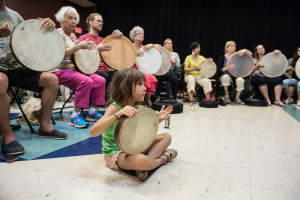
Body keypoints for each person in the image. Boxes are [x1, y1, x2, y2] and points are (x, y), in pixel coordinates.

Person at [0, 0, 68, 155]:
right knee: (1, 81)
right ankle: (8, 136)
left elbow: (27, 39)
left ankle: (45, 127)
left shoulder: (14, 16)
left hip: (14, 68)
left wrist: (43, 27)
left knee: (51, 79)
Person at [90, 68, 178, 181]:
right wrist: (118, 114)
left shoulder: (135, 105)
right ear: (124, 89)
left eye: (143, 84)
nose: (145, 87)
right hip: (117, 154)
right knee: (140, 160)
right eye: (139, 84)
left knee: (166, 136)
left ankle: (143, 167)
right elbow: (93, 132)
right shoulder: (115, 108)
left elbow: (142, 131)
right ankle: (163, 159)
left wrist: (158, 120)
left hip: (135, 146)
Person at [52, 6, 106, 128]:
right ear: (61, 20)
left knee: (100, 80)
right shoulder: (57, 34)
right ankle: (75, 116)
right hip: (60, 70)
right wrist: (78, 47)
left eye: (75, 18)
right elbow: (59, 55)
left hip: (75, 70)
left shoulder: (74, 36)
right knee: (86, 80)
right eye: (69, 18)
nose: (73, 21)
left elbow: (79, 56)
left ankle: (92, 112)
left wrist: (89, 49)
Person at [78, 13, 122, 89]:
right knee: (104, 76)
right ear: (90, 22)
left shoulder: (103, 40)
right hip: (90, 70)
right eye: (98, 21)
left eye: (102, 22)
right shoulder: (83, 38)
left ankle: (114, 100)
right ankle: (105, 100)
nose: (101, 23)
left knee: (122, 75)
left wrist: (119, 38)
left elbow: (115, 52)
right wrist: (97, 48)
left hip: (105, 70)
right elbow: (81, 57)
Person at [129, 26, 158, 107]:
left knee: (152, 77)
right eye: (139, 33)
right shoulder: (130, 46)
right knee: (145, 76)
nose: (142, 35)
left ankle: (147, 99)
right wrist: (136, 54)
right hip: (132, 68)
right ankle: (139, 101)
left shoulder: (144, 47)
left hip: (142, 69)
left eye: (142, 33)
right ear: (134, 37)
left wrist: (152, 45)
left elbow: (159, 48)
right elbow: (126, 58)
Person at [217, 41, 250, 105]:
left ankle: (237, 98)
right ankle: (226, 94)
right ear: (227, 48)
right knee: (226, 76)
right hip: (224, 76)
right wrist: (226, 68)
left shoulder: (237, 56)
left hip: (234, 76)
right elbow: (218, 70)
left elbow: (250, 54)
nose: (233, 48)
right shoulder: (222, 57)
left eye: (234, 46)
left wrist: (244, 50)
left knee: (240, 80)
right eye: (231, 46)